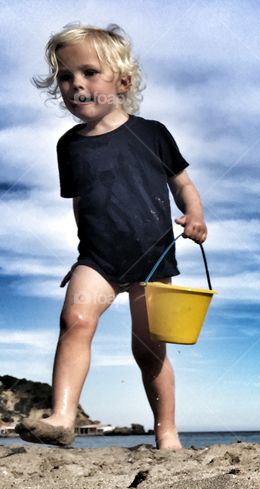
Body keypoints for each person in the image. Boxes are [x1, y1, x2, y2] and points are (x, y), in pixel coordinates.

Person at [19, 23, 207, 449]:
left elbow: (183, 184)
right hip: (97, 259)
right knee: (75, 321)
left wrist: (194, 215)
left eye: (88, 72)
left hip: (153, 258)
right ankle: (63, 417)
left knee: (149, 349)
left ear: (122, 82)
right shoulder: (69, 146)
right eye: (65, 77)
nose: (75, 84)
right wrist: (81, 256)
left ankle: (167, 433)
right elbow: (81, 204)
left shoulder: (152, 134)